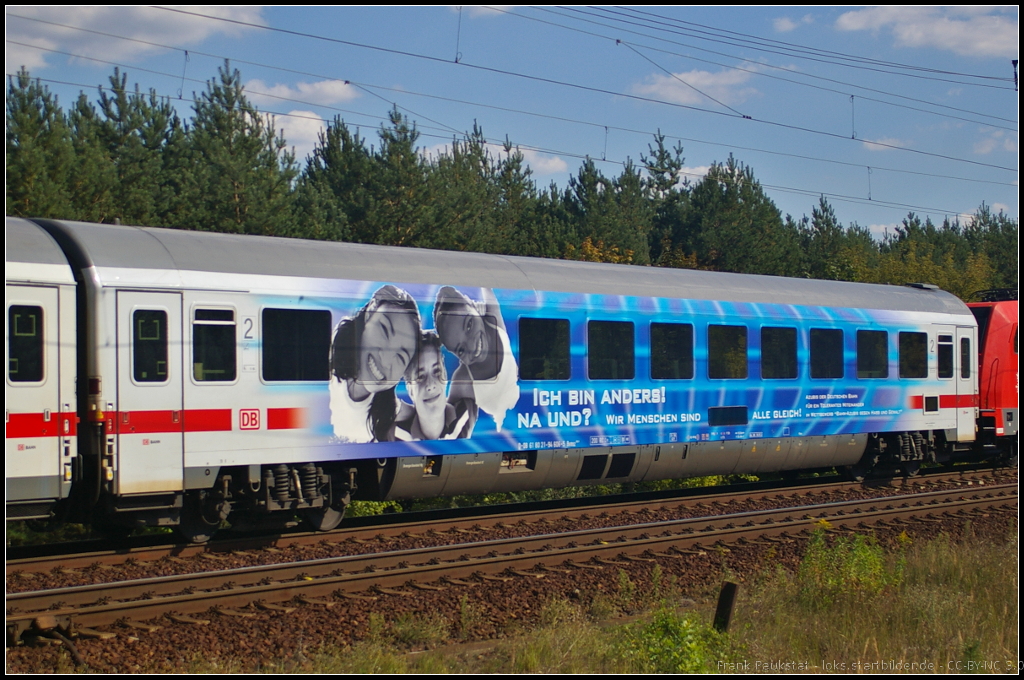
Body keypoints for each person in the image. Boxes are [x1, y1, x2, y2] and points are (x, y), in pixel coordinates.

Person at [329, 285, 420, 442]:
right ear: (368, 315)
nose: (385, 361)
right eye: (384, 331)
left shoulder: (389, 410)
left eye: (401, 356)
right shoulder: (328, 368)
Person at [433, 286, 519, 431]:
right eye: (460, 350)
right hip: (502, 431)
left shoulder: (493, 321)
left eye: (469, 325)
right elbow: (446, 416)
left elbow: (486, 284)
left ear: (474, 306)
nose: (472, 346)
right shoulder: (463, 380)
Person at [394, 331, 475, 441]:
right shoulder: (396, 435)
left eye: (436, 371)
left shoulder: (464, 416)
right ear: (410, 390)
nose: (430, 385)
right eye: (420, 376)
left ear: (445, 376)